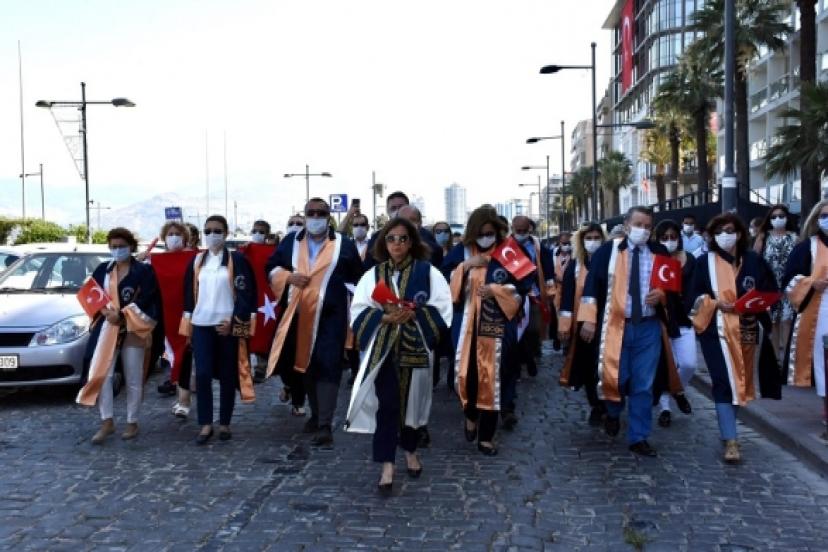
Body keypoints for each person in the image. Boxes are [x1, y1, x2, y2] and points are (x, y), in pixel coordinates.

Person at [345, 218, 452, 494]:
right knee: (388, 404)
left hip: (414, 347)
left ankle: (411, 450)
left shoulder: (427, 273)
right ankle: (386, 464)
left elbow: (443, 308)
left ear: (412, 242)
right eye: (391, 239)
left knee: (413, 404)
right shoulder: (373, 275)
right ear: (383, 243)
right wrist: (383, 316)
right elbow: (358, 309)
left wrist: (415, 314)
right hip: (383, 349)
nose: (397, 244)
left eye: (403, 238)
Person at [579, 206, 681, 457]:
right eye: (639, 224)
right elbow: (591, 285)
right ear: (626, 225)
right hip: (616, 326)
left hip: (647, 327)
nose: (643, 230)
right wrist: (588, 320)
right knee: (617, 377)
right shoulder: (608, 251)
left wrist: (663, 296)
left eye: (648, 226)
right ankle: (612, 411)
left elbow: (673, 289)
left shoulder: (659, 252)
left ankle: (639, 436)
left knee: (643, 385)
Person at [265, 198, 364, 447]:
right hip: (298, 314)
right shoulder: (292, 241)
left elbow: (358, 277)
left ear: (329, 217)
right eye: (312, 212)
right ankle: (316, 413)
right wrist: (288, 277)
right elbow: (271, 267)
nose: (316, 217)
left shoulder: (344, 244)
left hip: (331, 316)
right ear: (305, 214)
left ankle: (325, 424)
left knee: (328, 365)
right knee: (305, 364)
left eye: (321, 213)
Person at [690, 213, 781, 463]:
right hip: (714, 330)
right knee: (722, 380)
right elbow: (693, 298)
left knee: (740, 380)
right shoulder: (703, 263)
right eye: (718, 232)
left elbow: (770, 291)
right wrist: (716, 303)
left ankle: (728, 423)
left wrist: (751, 303)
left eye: (729, 230)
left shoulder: (754, 261)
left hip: (748, 328)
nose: (724, 236)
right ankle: (731, 439)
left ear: (739, 233)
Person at [443, 205, 533, 456]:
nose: (486, 237)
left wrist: (497, 290)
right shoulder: (462, 252)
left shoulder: (509, 251)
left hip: (498, 323)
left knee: (494, 377)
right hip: (466, 325)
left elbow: (524, 285)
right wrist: (466, 266)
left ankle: (486, 436)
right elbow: (441, 282)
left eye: (490, 232)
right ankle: (470, 414)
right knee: (467, 375)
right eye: (481, 232)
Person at [180, 215, 257, 444]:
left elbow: (247, 294)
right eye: (208, 230)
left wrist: (235, 322)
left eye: (217, 230)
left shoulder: (237, 260)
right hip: (202, 325)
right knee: (202, 374)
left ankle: (224, 423)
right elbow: (188, 295)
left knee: (227, 375)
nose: (212, 234)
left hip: (227, 327)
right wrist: (189, 326)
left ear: (226, 233)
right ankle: (205, 424)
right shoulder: (197, 262)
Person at [81, 228, 162, 444]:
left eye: (121, 246)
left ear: (131, 247)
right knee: (103, 375)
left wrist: (123, 315)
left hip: (133, 328)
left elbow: (148, 298)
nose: (117, 250)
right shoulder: (103, 269)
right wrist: (106, 312)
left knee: (133, 376)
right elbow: (91, 293)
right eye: (113, 246)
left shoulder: (143, 272)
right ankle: (106, 420)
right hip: (108, 328)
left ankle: (132, 421)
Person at [505, 216, 554, 429]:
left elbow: (547, 268)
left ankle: (531, 355)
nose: (520, 232)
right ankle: (521, 363)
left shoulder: (539, 247)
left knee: (532, 330)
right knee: (515, 334)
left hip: (534, 293)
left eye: (524, 229)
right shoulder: (507, 247)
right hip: (511, 295)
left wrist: (549, 288)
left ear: (530, 229)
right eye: (517, 229)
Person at [783, 200, 828, 417]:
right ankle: (826, 405)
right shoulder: (805, 248)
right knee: (822, 356)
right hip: (818, 309)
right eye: (824, 216)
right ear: (816, 219)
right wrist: (812, 283)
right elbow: (789, 280)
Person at [558, 222, 607, 425]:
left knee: (607, 366)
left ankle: (610, 404)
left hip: (608, 322)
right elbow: (567, 297)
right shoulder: (575, 265)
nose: (593, 242)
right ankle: (596, 404)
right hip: (582, 324)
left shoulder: (611, 261)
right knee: (589, 368)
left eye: (597, 238)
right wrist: (564, 325)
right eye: (589, 238)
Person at [653, 220, 696, 428]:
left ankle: (677, 390)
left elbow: (698, 287)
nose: (670, 241)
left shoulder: (691, 259)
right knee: (667, 365)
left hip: (686, 319)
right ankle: (665, 408)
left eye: (673, 237)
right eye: (664, 238)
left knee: (688, 364)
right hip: (663, 320)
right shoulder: (654, 260)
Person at [753, 205, 797, 366]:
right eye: (774, 216)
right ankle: (774, 360)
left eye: (781, 215)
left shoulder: (794, 237)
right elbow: (755, 258)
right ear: (769, 219)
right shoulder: (763, 237)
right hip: (769, 286)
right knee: (772, 322)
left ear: (787, 217)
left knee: (787, 319)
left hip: (788, 285)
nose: (778, 219)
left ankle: (786, 360)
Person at [364, 192, 442, 269]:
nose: (397, 210)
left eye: (401, 207)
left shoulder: (427, 236)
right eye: (393, 208)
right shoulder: (377, 237)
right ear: (387, 211)